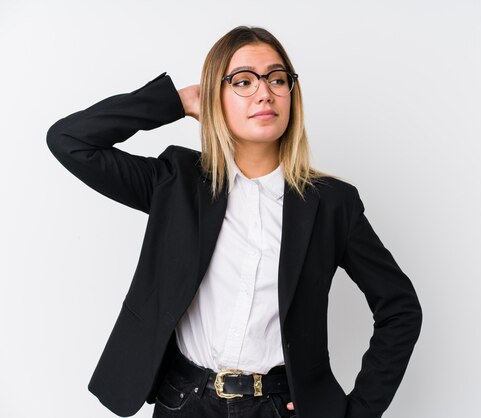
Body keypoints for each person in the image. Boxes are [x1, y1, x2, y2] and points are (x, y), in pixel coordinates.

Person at [46, 26, 422, 418]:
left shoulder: (330, 204)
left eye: (278, 79)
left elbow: (400, 307)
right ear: (214, 97)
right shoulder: (176, 183)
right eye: (243, 81)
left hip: (280, 407)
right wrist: (175, 101)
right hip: (184, 402)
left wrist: (357, 412)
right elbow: (70, 141)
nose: (265, 92)